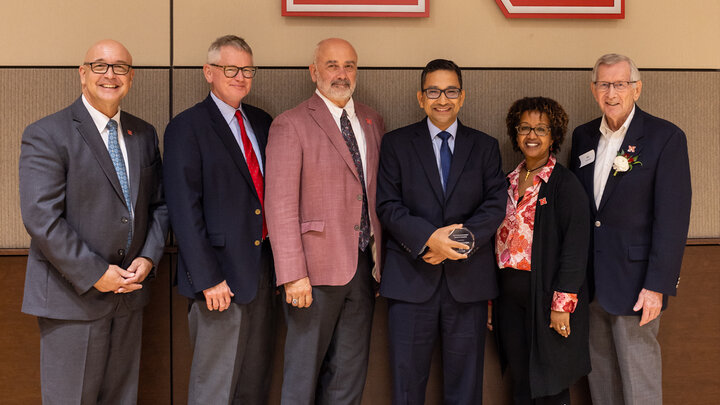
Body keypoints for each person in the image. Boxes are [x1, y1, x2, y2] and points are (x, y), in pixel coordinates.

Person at [18, 39, 168, 404]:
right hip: (73, 298)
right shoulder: (47, 133)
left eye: (120, 67)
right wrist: (96, 273)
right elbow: (42, 219)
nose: (110, 75)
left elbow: (161, 205)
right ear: (82, 74)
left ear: (131, 78)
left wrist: (147, 259)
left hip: (129, 297)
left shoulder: (143, 133)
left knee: (121, 398)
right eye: (100, 66)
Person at [376, 59, 506, 404]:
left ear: (462, 97)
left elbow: (495, 206)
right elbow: (388, 205)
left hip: (468, 283)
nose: (442, 99)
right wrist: (429, 240)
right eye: (433, 91)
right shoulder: (396, 143)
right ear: (421, 98)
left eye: (450, 91)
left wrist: (454, 244)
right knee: (406, 385)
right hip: (410, 279)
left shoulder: (485, 146)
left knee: (466, 387)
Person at [265, 38, 385, 405]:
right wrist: (292, 274)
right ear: (313, 71)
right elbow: (280, 204)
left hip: (365, 267)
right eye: (332, 65)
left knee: (348, 376)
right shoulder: (291, 124)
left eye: (349, 65)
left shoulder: (371, 120)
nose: (341, 73)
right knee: (302, 375)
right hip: (312, 275)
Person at [570, 53, 692, 404]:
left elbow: (672, 218)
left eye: (620, 84)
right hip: (591, 283)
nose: (612, 93)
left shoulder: (664, 137)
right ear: (593, 90)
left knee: (640, 384)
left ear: (636, 89)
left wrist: (657, 285)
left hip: (637, 285)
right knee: (602, 381)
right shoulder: (582, 138)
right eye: (604, 84)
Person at [163, 35, 276, 404]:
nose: (240, 77)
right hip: (218, 279)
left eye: (247, 69)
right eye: (231, 69)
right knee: (214, 384)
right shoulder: (186, 127)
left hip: (262, 271)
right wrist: (209, 278)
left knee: (253, 381)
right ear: (209, 72)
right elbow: (183, 209)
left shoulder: (261, 121)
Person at [494, 97, 591, 405]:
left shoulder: (565, 185)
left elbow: (576, 249)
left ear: (554, 136)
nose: (531, 135)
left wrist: (561, 305)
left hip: (546, 297)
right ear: (515, 133)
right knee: (522, 380)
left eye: (541, 129)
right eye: (524, 128)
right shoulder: (507, 182)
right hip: (508, 300)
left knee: (549, 383)